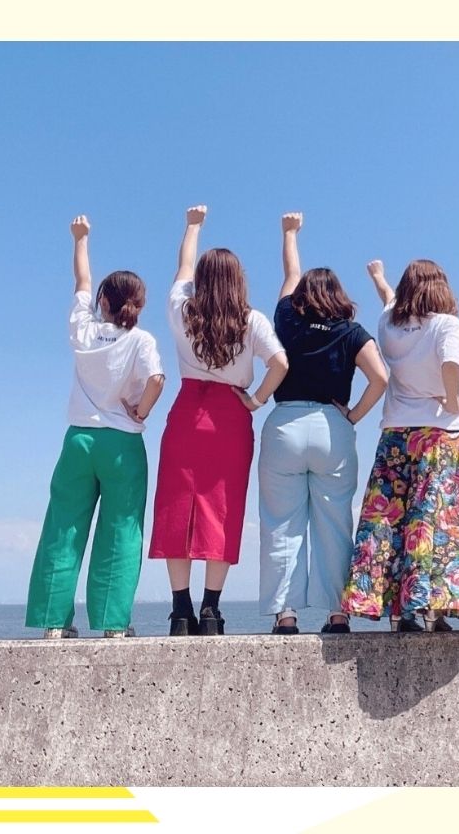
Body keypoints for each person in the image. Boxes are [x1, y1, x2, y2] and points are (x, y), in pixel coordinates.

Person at [148, 205, 289, 636]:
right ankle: (211, 610)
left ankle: (180, 611)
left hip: (188, 412)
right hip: (230, 418)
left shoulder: (183, 311)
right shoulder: (252, 320)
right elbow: (280, 363)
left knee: (177, 507)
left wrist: (192, 227)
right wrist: (257, 400)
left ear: (202, 280)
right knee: (220, 509)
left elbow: (182, 267)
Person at [26, 215, 164, 639]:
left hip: (79, 440)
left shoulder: (83, 331)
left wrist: (80, 238)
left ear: (103, 301)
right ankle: (112, 624)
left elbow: (81, 280)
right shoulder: (141, 340)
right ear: (138, 305)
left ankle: (53, 622)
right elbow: (158, 380)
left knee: (63, 525)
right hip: (122, 444)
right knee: (121, 531)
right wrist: (141, 411)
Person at [340, 258, 459, 632]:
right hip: (439, 436)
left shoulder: (389, 326)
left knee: (391, 522)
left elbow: (389, 300)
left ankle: (399, 613)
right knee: (435, 525)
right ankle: (431, 611)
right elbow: (451, 363)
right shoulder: (447, 324)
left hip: (395, 434)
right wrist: (452, 400)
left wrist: (378, 277)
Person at [257, 212, 388, 636]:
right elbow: (380, 378)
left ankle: (286, 614)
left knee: (281, 523)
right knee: (334, 524)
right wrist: (353, 415)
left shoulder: (287, 319)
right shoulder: (351, 331)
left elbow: (290, 273)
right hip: (332, 428)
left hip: (285, 424)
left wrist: (290, 234)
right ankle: (338, 614)